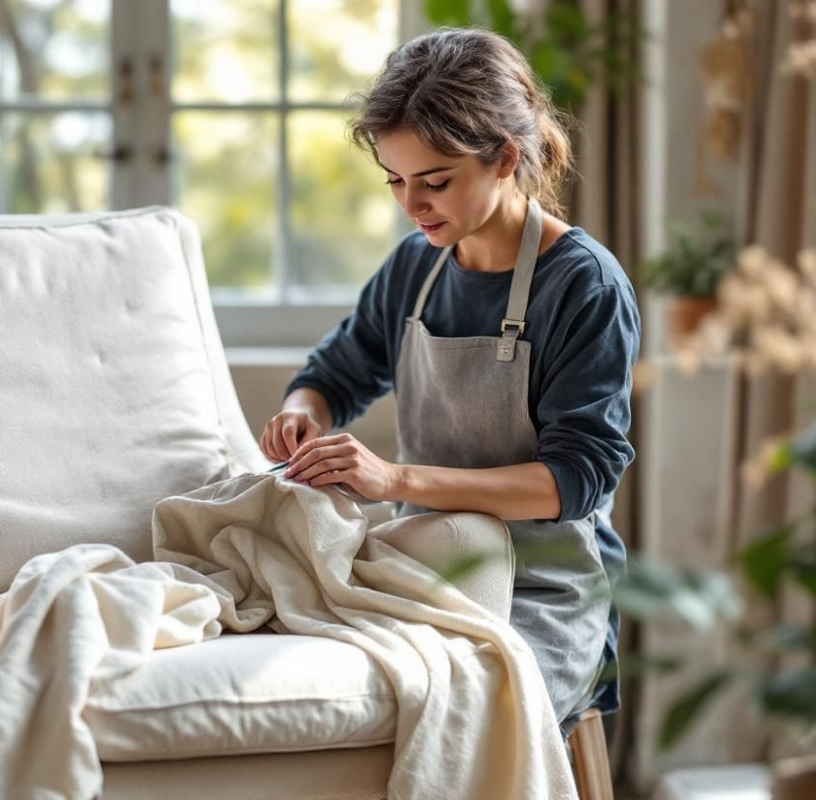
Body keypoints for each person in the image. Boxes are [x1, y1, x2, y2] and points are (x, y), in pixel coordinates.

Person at [260, 27, 640, 729]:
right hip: (424, 567)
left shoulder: (584, 286)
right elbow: (335, 373)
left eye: (435, 182)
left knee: (471, 716)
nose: (412, 206)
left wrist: (396, 480)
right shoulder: (415, 267)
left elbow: (576, 478)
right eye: (395, 180)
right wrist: (302, 412)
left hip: (543, 588)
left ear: (506, 158)